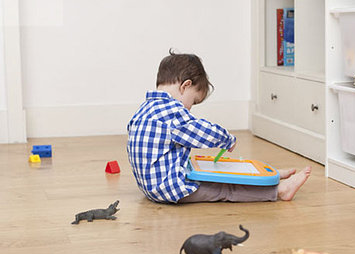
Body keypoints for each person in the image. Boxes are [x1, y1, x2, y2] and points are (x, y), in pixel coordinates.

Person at [126, 50, 311, 204]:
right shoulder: (172, 111)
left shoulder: (145, 108)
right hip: (170, 188)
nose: (190, 107)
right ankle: (278, 191)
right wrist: (226, 138)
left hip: (150, 186)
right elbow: (202, 133)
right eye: (194, 101)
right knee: (224, 189)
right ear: (185, 86)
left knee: (206, 168)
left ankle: (268, 176)